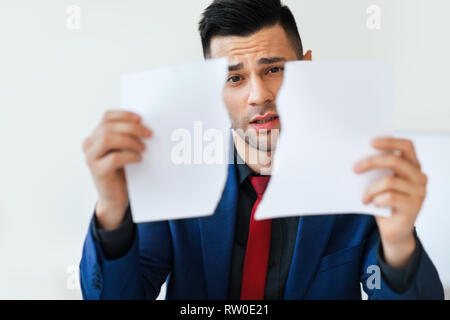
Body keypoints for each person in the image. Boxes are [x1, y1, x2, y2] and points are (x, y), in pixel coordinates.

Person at [80, 0, 444, 299]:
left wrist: (398, 244)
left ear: (308, 70)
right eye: (234, 78)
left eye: (273, 70)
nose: (259, 95)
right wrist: (112, 209)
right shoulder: (175, 176)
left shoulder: (358, 177)